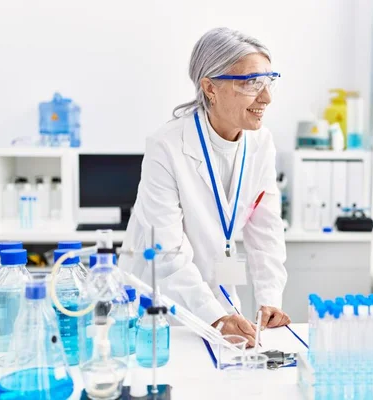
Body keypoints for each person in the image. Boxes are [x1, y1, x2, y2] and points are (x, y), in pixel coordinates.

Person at [120, 27, 289, 346]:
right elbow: (167, 251)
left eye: (268, 81)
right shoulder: (166, 146)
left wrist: (269, 298)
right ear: (210, 87)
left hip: (220, 297)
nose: (266, 97)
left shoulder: (261, 142)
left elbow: (265, 230)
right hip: (160, 301)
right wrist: (215, 316)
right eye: (252, 83)